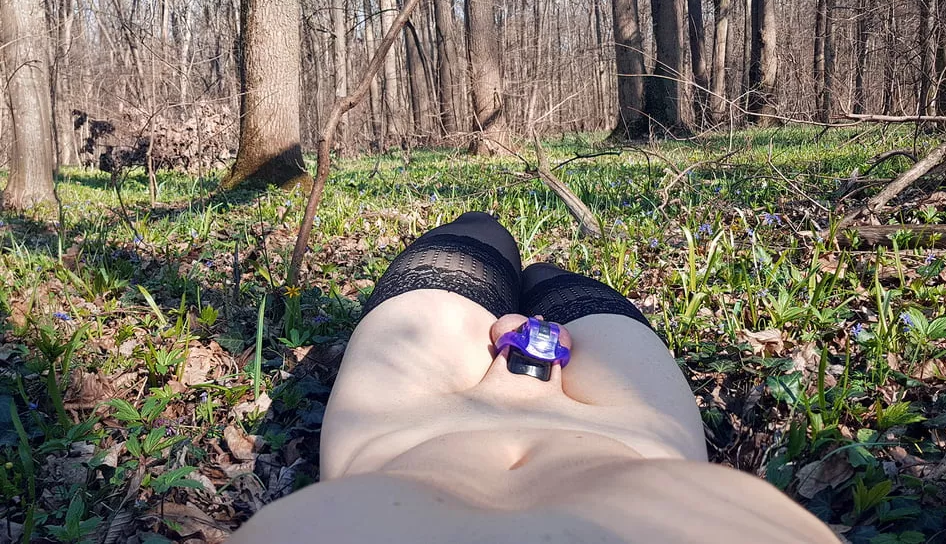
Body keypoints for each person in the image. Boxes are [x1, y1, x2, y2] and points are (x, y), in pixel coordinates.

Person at [230, 212, 837, 543]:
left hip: (401, 421)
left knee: (480, 232)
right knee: (554, 281)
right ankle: (540, 279)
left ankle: (512, 262)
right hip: (634, 432)